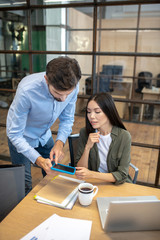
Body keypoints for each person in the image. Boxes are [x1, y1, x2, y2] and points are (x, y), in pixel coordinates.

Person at [7, 56, 81, 195]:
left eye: (68, 94)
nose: (63, 99)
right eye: (58, 93)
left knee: (53, 174)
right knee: (24, 184)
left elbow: (67, 119)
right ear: (47, 80)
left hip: (44, 134)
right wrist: (38, 160)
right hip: (21, 137)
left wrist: (59, 143)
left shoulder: (73, 86)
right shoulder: (27, 90)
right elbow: (14, 134)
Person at [75, 92, 132, 184]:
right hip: (94, 183)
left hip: (117, 185)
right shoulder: (85, 133)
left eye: (97, 112)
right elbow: (80, 170)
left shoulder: (124, 136)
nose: (91, 116)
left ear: (109, 112)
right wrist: (87, 147)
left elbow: (122, 175)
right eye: (89, 112)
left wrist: (92, 174)